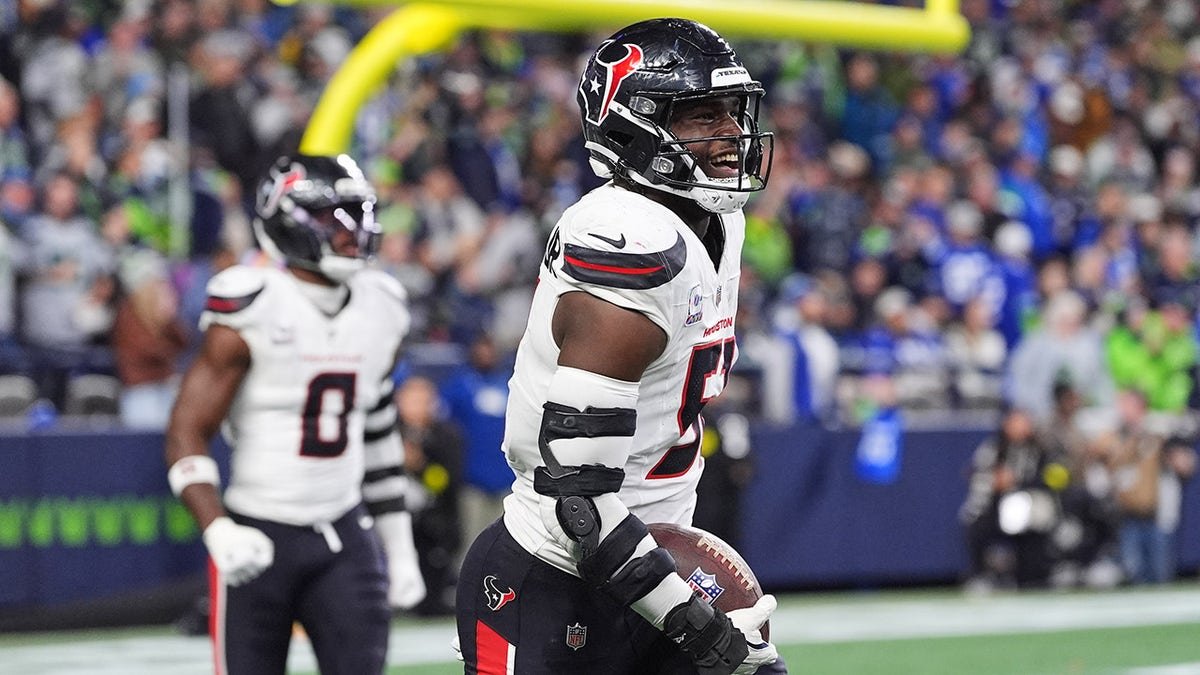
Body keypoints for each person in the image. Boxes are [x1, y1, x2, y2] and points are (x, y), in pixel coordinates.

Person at [455, 18, 783, 674]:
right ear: (635, 126)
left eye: (731, 111)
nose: (730, 134)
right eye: (701, 115)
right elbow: (580, 497)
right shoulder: (627, 242)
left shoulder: (720, 220)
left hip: (655, 561)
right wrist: (698, 626)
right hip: (552, 579)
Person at [163, 154, 425, 675]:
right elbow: (186, 431)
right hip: (260, 534)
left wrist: (398, 544)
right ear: (288, 219)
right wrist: (218, 530)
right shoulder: (252, 303)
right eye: (334, 217)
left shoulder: (385, 305)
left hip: (345, 533)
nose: (354, 232)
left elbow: (375, 426)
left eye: (358, 214)